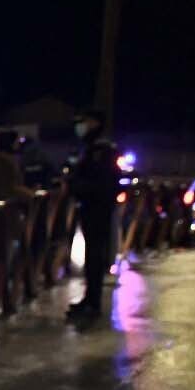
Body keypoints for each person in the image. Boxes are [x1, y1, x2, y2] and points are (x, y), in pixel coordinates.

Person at [65, 108, 121, 323]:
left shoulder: (101, 150)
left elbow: (100, 182)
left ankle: (93, 304)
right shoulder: (91, 148)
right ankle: (89, 300)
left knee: (95, 257)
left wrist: (75, 185)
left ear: (95, 123)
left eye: (85, 121)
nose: (81, 126)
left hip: (97, 208)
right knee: (92, 257)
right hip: (92, 207)